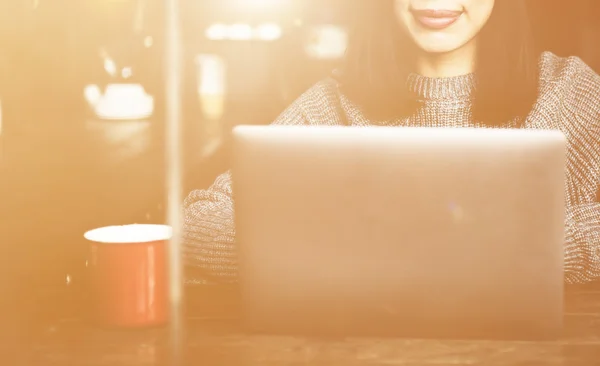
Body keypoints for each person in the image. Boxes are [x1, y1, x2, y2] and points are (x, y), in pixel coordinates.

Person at [182, 0, 600, 285]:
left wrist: (498, 244)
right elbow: (197, 221)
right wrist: (359, 248)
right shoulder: (330, 106)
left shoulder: (569, 94)